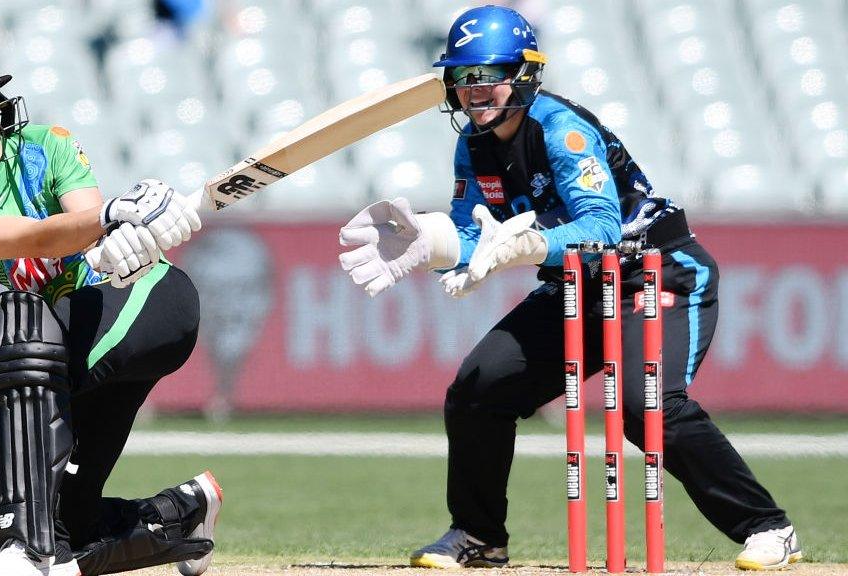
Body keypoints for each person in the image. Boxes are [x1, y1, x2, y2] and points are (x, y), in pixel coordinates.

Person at [337, 6, 801, 572]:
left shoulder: (562, 128)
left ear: (526, 72)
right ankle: (480, 537)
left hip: (654, 271)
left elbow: (602, 228)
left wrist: (531, 245)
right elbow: (470, 229)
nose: (474, 90)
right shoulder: (474, 147)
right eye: (462, 77)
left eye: (489, 74)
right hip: (575, 285)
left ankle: (769, 527)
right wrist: (430, 241)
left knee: (647, 406)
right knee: (478, 389)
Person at [0, 48, 220, 576]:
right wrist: (109, 219)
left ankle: (24, 549)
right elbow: (29, 236)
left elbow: (83, 214)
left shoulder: (48, 145)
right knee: (68, 520)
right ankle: (183, 516)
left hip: (146, 300)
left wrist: (123, 226)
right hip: (79, 341)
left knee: (19, 332)